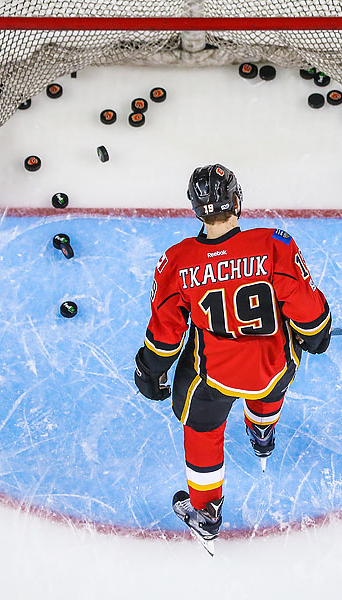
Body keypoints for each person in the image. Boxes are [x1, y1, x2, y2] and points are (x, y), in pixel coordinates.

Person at [133, 164, 331, 549]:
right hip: (272, 366)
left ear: (196, 210)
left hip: (215, 376)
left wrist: (150, 367)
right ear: (237, 201)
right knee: (271, 378)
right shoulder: (275, 244)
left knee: (201, 427)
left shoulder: (177, 260)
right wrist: (317, 332)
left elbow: (167, 332)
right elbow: (306, 309)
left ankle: (206, 511)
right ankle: (262, 432)